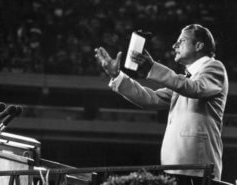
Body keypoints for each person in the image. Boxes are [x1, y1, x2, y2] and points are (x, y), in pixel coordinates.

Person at [94, 24, 229, 185]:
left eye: (182, 41)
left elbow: (195, 89)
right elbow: (150, 98)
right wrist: (116, 75)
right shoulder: (185, 79)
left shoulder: (214, 67)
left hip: (197, 167)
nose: (174, 45)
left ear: (199, 46)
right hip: (177, 166)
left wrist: (152, 67)